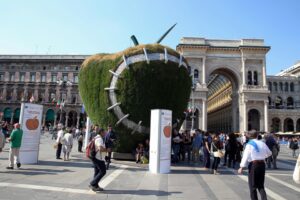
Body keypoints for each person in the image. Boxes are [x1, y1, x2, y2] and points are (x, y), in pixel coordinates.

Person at [238, 130, 272, 200]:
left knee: (252, 186)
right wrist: (262, 156)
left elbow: (245, 156)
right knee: (261, 185)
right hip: (262, 165)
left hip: (254, 165)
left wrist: (241, 167)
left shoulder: (249, 144)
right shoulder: (262, 143)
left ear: (249, 136)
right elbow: (269, 153)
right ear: (257, 135)